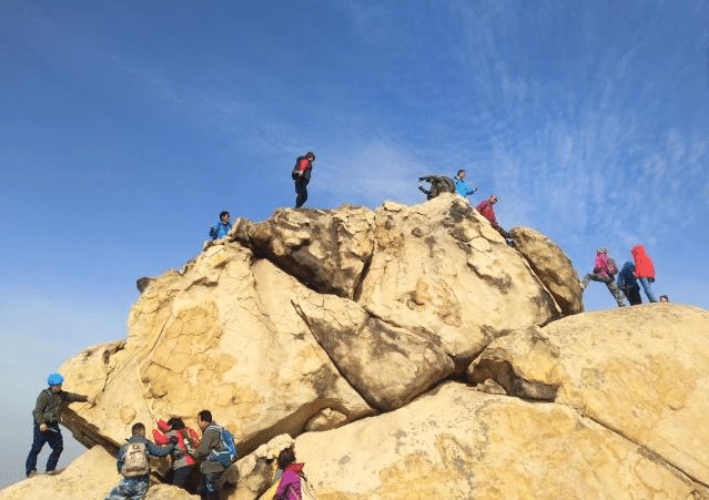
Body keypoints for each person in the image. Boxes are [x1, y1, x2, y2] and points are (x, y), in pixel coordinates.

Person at [26, 373, 93, 478]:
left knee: (58, 447)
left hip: (53, 426)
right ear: (52, 385)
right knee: (36, 448)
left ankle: (50, 469)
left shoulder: (62, 395)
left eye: (60, 384)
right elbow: (37, 411)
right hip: (42, 426)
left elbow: (73, 396)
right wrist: (42, 423)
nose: (59, 386)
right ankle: (31, 471)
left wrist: (86, 399)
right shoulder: (44, 395)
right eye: (57, 385)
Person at [104, 422, 176, 500]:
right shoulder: (146, 444)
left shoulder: (125, 446)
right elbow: (162, 452)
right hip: (142, 481)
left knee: (115, 496)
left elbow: (119, 463)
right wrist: (172, 444)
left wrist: (121, 470)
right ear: (143, 432)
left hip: (127, 481)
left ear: (132, 433)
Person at [185, 410, 227, 500]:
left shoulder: (209, 431)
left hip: (211, 468)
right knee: (201, 490)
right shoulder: (216, 429)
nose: (197, 423)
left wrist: (194, 452)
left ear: (204, 421)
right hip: (215, 466)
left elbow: (204, 450)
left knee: (211, 494)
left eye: (198, 420)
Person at [152, 418, 201, 489]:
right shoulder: (188, 431)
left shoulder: (173, 433)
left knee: (175, 489)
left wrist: (154, 430)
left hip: (183, 465)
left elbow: (160, 440)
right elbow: (167, 428)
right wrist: (159, 422)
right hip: (194, 463)